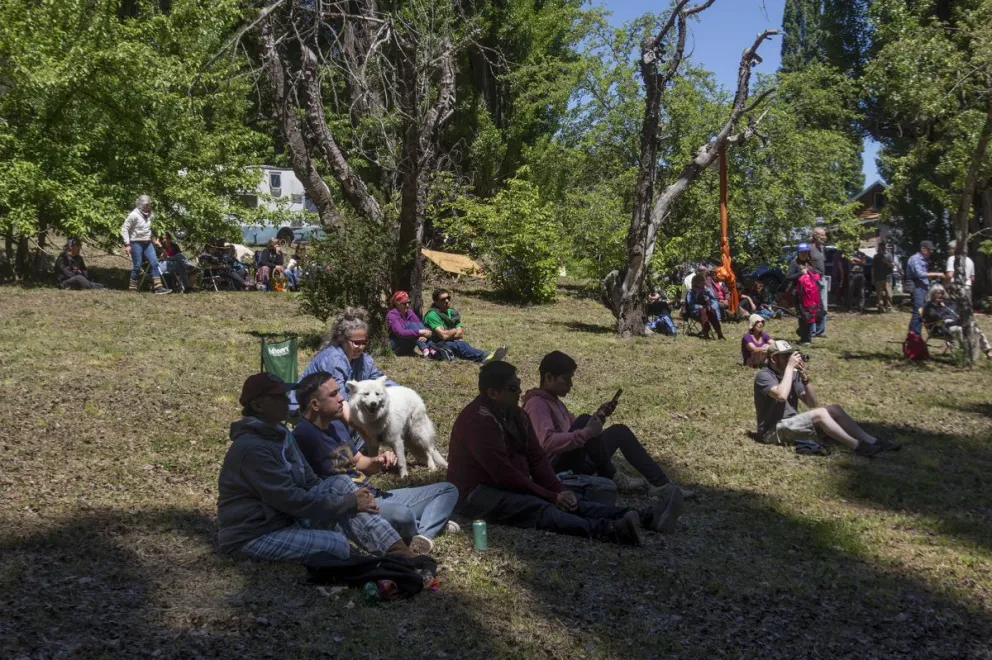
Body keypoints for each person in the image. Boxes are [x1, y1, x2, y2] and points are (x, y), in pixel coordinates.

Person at [446, 361, 684, 546]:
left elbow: (537, 458)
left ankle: (645, 518)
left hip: (508, 484)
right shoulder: (477, 421)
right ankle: (608, 531)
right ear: (493, 393)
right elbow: (503, 474)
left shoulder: (516, 415)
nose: (519, 391)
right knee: (540, 507)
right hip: (475, 494)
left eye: (518, 384)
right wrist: (549, 495)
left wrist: (558, 489)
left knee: (571, 500)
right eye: (512, 388)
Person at [216, 372, 421, 562]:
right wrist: (348, 503)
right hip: (255, 533)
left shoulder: (281, 434)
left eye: (286, 394)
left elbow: (311, 481)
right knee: (337, 545)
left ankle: (398, 552)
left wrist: (348, 499)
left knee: (340, 482)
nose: (287, 400)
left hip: (286, 518)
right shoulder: (252, 448)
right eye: (278, 397)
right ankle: (389, 560)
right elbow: (289, 500)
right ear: (258, 406)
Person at [292, 371, 459, 554]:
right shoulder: (303, 435)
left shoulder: (336, 424)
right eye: (333, 395)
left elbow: (359, 461)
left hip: (374, 494)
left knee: (448, 489)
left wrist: (377, 461)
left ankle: (422, 536)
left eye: (339, 392)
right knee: (402, 514)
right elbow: (309, 488)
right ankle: (429, 523)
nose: (342, 399)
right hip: (353, 506)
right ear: (315, 404)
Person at [522, 351, 693, 499]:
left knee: (619, 431)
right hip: (554, 470)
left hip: (574, 459)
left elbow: (576, 431)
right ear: (549, 377)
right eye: (566, 380)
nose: (571, 385)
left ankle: (661, 484)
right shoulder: (537, 404)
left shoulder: (556, 402)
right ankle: (611, 474)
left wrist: (599, 417)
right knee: (583, 420)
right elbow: (546, 443)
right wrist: (587, 431)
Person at [754, 340, 898, 456]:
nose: (789, 358)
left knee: (835, 409)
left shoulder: (791, 373)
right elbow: (781, 395)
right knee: (821, 414)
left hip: (790, 423)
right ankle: (858, 446)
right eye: (785, 356)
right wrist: (790, 368)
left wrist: (805, 379)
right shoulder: (764, 376)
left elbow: (811, 403)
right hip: (771, 431)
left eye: (790, 355)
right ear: (773, 358)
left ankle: (872, 441)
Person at [291, 307, 397, 448]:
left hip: (332, 406)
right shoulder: (333, 360)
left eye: (364, 342)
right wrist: (364, 431)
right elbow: (339, 401)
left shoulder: (363, 360)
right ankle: (350, 452)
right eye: (356, 343)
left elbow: (381, 381)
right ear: (342, 339)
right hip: (308, 408)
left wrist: (405, 396)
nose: (361, 347)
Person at [422, 288, 507, 363]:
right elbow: (444, 336)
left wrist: (449, 334)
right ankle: (485, 357)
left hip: (448, 342)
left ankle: (487, 357)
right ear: (436, 302)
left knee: (462, 344)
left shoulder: (452, 312)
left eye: (448, 298)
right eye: (443, 299)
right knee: (460, 345)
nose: (447, 301)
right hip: (435, 344)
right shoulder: (432, 315)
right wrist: (454, 330)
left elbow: (460, 334)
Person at [923, 284, 992, 359]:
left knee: (974, 328)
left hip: (956, 322)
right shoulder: (930, 305)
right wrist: (939, 305)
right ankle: (965, 352)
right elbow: (934, 317)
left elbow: (957, 312)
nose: (940, 295)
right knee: (959, 329)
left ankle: (987, 351)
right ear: (932, 294)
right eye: (938, 293)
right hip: (942, 327)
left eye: (942, 293)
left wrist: (960, 316)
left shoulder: (948, 303)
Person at [122, 195, 170, 294]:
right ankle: (132, 288)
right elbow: (124, 229)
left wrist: (154, 240)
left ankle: (158, 288)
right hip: (136, 243)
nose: (149, 206)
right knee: (137, 265)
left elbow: (147, 229)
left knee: (154, 263)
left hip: (147, 243)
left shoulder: (149, 214)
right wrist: (127, 244)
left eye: (149, 204)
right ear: (142, 205)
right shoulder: (133, 215)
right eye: (147, 205)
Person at [785, 244, 821, 346]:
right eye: (802, 252)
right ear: (798, 253)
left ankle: (804, 334)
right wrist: (800, 273)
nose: (804, 254)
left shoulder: (809, 263)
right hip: (799, 294)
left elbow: (815, 275)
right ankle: (805, 339)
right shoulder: (794, 263)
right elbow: (788, 277)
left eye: (805, 252)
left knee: (811, 314)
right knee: (803, 315)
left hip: (810, 294)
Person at [386, 291, 440, 358]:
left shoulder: (410, 312)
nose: (407, 305)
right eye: (404, 303)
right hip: (396, 346)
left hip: (408, 344)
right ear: (397, 303)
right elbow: (400, 332)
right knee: (411, 325)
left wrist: (426, 334)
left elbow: (420, 326)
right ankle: (425, 350)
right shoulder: (391, 315)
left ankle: (432, 349)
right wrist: (421, 332)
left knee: (418, 324)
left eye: (409, 302)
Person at [906, 240, 944, 335]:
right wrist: (937, 273)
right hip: (917, 287)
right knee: (918, 311)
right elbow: (919, 274)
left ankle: (916, 334)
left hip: (923, 288)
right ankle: (914, 335)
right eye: (929, 250)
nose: (931, 252)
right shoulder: (915, 259)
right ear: (923, 249)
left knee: (922, 311)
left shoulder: (923, 260)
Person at [686, 275, 725, 340]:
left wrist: (709, 302)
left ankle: (719, 334)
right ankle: (706, 334)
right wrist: (700, 306)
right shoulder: (691, 292)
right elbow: (691, 305)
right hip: (695, 312)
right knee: (703, 310)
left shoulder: (707, 290)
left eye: (703, 281)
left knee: (711, 311)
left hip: (707, 309)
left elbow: (713, 301)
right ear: (696, 283)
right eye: (701, 282)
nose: (703, 283)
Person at [809, 227, 828, 336]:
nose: (823, 237)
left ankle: (821, 331)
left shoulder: (821, 248)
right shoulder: (809, 248)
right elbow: (802, 262)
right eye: (821, 235)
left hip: (822, 279)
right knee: (813, 305)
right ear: (815, 235)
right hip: (813, 279)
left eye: (824, 235)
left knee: (823, 306)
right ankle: (812, 330)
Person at [874, 241, 895, 313]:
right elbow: (873, 268)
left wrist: (887, 262)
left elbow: (892, 266)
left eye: (883, 246)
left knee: (889, 294)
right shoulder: (876, 256)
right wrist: (872, 278)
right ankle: (880, 307)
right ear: (879, 247)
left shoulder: (889, 255)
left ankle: (889, 307)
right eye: (881, 246)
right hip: (878, 277)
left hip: (887, 278)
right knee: (879, 294)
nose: (882, 247)